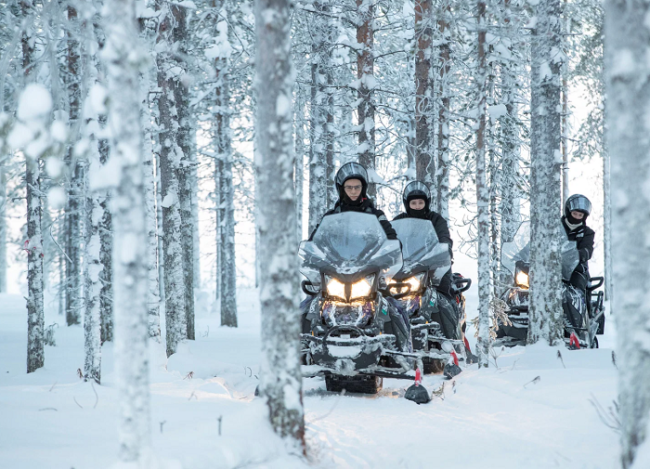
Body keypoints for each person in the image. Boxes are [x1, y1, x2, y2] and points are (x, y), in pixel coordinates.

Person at [393, 181, 454, 297]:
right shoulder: (399, 220)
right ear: (407, 204)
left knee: (442, 289)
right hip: (405, 266)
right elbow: (390, 238)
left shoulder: (436, 220)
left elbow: (444, 237)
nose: (417, 206)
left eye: (421, 202)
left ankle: (447, 307)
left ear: (426, 203)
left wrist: (445, 249)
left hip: (431, 265)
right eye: (414, 203)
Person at [309, 162, 397, 240]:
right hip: (336, 258)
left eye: (357, 187)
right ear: (342, 189)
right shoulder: (330, 217)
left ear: (363, 188)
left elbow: (392, 239)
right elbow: (314, 242)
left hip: (370, 258)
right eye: (349, 187)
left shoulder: (377, 215)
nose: (353, 191)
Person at [562, 194, 595, 294]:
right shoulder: (554, 228)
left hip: (576, 269)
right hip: (552, 267)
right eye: (575, 214)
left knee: (577, 286)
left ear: (584, 217)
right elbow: (537, 242)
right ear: (569, 212)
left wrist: (579, 254)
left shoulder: (587, 232)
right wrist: (519, 256)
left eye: (580, 215)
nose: (577, 217)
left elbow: (588, 249)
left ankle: (580, 308)